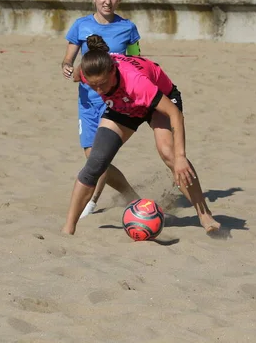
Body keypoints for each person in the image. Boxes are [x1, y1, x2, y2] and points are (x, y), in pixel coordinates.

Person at [61, 34, 221, 236]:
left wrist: (180, 157)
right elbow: (78, 75)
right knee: (95, 163)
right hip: (123, 105)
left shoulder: (136, 82)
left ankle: (205, 215)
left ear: (113, 71)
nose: (99, 89)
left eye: (102, 84)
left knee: (169, 154)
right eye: (94, 86)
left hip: (158, 103)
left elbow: (175, 114)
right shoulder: (88, 73)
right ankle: (68, 228)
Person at [61, 0, 140, 218]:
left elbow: (138, 63)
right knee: (93, 157)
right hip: (87, 103)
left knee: (98, 158)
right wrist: (67, 67)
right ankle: (129, 195)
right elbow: (68, 58)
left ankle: (92, 201)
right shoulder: (80, 25)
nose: (108, 1)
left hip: (114, 104)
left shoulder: (128, 28)